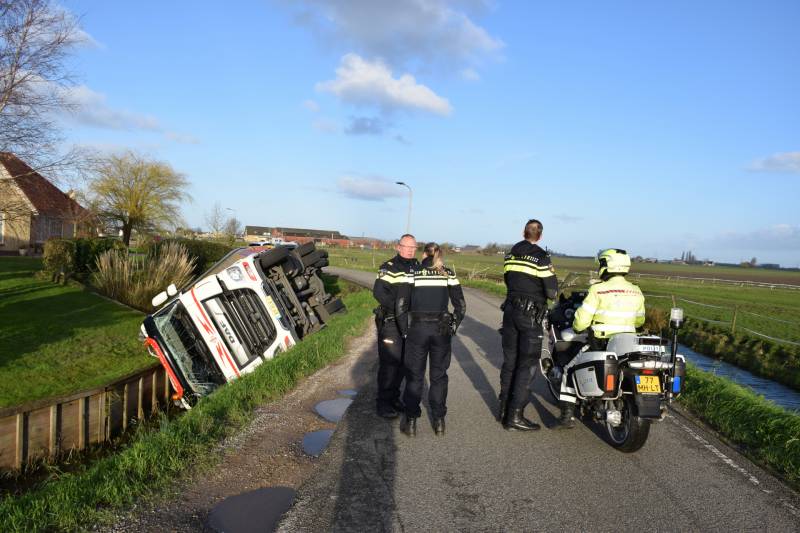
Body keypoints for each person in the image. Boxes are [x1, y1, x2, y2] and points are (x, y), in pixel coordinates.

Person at [554, 248, 645, 429]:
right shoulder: (636, 291)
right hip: (627, 345)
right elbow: (641, 320)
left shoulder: (598, 289)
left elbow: (581, 321)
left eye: (602, 263)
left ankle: (566, 417)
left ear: (607, 265)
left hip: (601, 342)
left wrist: (578, 327)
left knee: (568, 370)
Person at [395, 242, 466, 437]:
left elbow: (401, 304)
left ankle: (410, 422)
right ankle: (439, 421)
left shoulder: (413, 272)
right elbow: (461, 305)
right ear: (438, 254)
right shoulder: (448, 273)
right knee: (439, 376)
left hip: (417, 330)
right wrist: (453, 326)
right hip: (441, 330)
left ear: (424, 253)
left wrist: (404, 331)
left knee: (415, 376)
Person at [499, 219, 558, 431]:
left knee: (510, 362)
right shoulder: (542, 258)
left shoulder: (510, 254)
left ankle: (503, 410)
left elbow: (508, 280)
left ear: (523, 232)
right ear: (540, 236)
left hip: (510, 312)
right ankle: (515, 417)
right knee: (528, 364)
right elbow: (552, 292)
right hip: (530, 315)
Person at [372, 234, 420, 418]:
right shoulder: (388, 268)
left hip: (411, 323)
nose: (410, 250)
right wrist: (401, 310)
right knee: (390, 364)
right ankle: (383, 403)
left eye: (413, 247)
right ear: (398, 247)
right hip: (392, 321)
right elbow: (379, 293)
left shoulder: (418, 268)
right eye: (406, 246)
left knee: (403, 364)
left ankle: (394, 398)